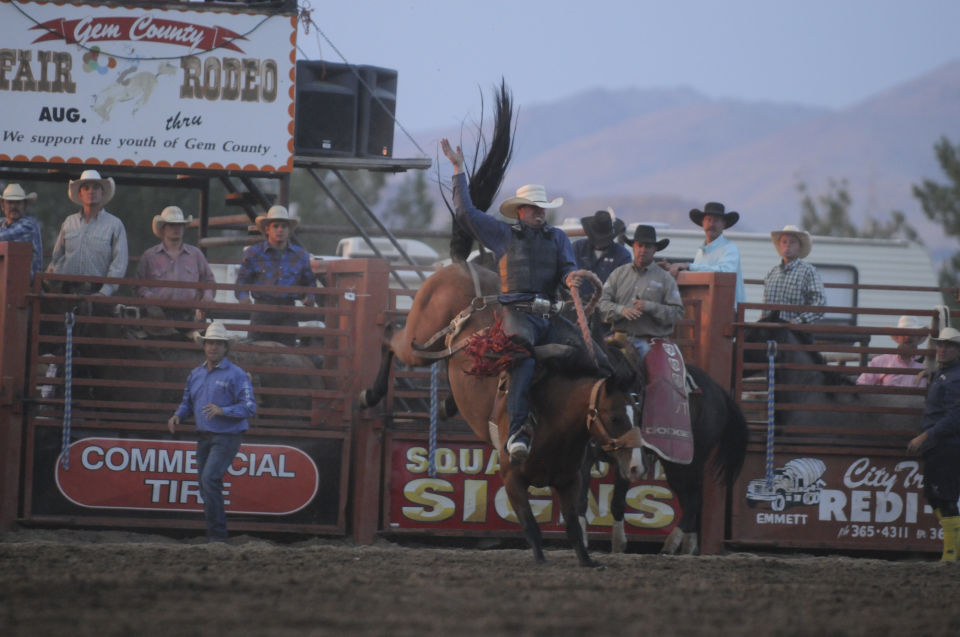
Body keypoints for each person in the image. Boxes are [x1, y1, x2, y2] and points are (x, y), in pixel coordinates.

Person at [441, 137, 583, 464]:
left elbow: (567, 268)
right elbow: (466, 213)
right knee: (522, 358)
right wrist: (458, 170)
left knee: (587, 354)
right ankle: (517, 431)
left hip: (549, 315)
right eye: (534, 209)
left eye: (542, 209)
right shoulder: (503, 234)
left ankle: (597, 429)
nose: (539, 214)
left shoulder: (558, 237)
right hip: (516, 315)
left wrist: (571, 278)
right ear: (521, 211)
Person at [599, 225, 689, 461]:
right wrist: (621, 311)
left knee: (659, 380)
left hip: (648, 340)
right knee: (595, 371)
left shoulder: (665, 280)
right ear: (633, 247)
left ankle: (652, 433)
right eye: (639, 245)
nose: (643, 250)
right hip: (617, 337)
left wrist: (650, 308)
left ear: (654, 250)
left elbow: (677, 313)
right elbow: (602, 303)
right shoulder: (618, 274)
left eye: (648, 246)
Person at [167, 321, 256, 543]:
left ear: (226, 348)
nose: (213, 347)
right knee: (206, 485)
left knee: (209, 480)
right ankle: (215, 535)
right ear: (204, 346)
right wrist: (178, 414)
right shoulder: (195, 374)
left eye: (217, 344)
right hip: (204, 436)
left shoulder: (237, 375)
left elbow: (250, 407)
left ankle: (217, 536)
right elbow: (188, 402)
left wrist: (223, 410)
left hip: (226, 436)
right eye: (209, 343)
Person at [907, 326, 960, 561]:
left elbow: (955, 416)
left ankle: (950, 555)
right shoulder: (944, 373)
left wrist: (925, 436)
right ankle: (951, 551)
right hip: (939, 444)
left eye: (948, 345)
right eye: (940, 345)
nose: (942, 349)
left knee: (944, 497)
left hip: (947, 444)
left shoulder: (955, 376)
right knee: (936, 496)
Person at [234, 205, 317, 346]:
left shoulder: (301, 255)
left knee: (287, 354)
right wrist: (243, 296)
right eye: (276, 226)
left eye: (284, 226)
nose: (280, 230)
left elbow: (309, 281)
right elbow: (242, 280)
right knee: (257, 353)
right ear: (267, 229)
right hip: (262, 310)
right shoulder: (254, 253)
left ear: (289, 230)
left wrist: (309, 296)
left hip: (288, 311)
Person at [48, 169, 128, 296]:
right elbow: (57, 257)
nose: (91, 191)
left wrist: (104, 293)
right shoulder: (69, 222)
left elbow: (119, 263)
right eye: (86, 188)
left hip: (98, 292)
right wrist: (51, 281)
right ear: (80, 194)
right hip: (67, 291)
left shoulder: (115, 224)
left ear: (102, 193)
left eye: (96, 187)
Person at [137, 206, 216, 322]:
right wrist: (150, 299)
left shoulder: (196, 255)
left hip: (189, 314)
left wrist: (208, 296)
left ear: (184, 228)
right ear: (163, 228)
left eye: (180, 225)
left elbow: (209, 281)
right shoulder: (149, 256)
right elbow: (139, 285)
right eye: (172, 225)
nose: (176, 228)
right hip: (157, 314)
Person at [665, 201, 746, 308]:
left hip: (726, 308)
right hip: (703, 309)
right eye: (708, 220)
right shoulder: (700, 251)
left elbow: (725, 272)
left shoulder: (730, 248)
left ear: (723, 224)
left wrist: (689, 266)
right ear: (703, 223)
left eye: (716, 220)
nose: (711, 224)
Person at [762, 225, 825, 324]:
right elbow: (765, 306)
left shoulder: (808, 271)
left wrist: (798, 321)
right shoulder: (772, 273)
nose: (788, 245)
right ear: (780, 245)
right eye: (784, 242)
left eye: (792, 242)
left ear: (799, 246)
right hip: (770, 328)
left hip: (797, 330)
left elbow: (819, 303)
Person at [572, 208, 631, 301]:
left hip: (608, 308)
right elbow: (565, 273)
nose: (599, 242)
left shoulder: (622, 256)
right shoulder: (577, 248)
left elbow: (624, 288)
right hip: (576, 305)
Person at [856, 315, 928, 388]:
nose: (907, 337)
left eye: (912, 333)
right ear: (898, 337)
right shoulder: (881, 361)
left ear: (919, 337)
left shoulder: (928, 364)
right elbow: (862, 385)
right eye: (904, 333)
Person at [0, 183, 43, 281]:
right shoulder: (3, 223)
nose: (14, 206)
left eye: (18, 203)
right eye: (10, 202)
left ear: (25, 206)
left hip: (26, 286)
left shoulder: (29, 226)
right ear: (3, 205)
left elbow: (4, 236)